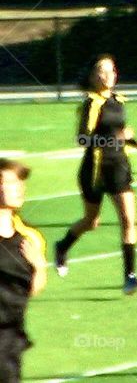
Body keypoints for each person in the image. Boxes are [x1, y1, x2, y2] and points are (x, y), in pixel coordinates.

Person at [54, 55, 137, 295]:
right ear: (92, 77)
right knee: (91, 222)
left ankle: (130, 278)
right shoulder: (91, 103)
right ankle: (62, 247)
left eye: (111, 71)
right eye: (102, 71)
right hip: (95, 170)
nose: (108, 75)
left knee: (128, 220)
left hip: (119, 167)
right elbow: (82, 139)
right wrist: (115, 137)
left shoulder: (119, 100)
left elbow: (120, 133)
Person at [0, 159, 46, 383]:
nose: (19, 188)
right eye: (11, 182)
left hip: (9, 338)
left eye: (21, 182)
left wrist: (38, 266)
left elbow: (30, 289)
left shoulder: (29, 238)